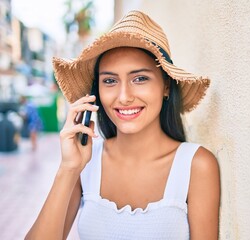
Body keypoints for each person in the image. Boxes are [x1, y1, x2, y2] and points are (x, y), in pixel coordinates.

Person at [25, 10, 220, 239]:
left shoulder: (196, 166)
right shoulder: (85, 164)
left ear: (166, 86)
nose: (124, 96)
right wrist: (68, 169)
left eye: (139, 79)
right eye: (109, 81)